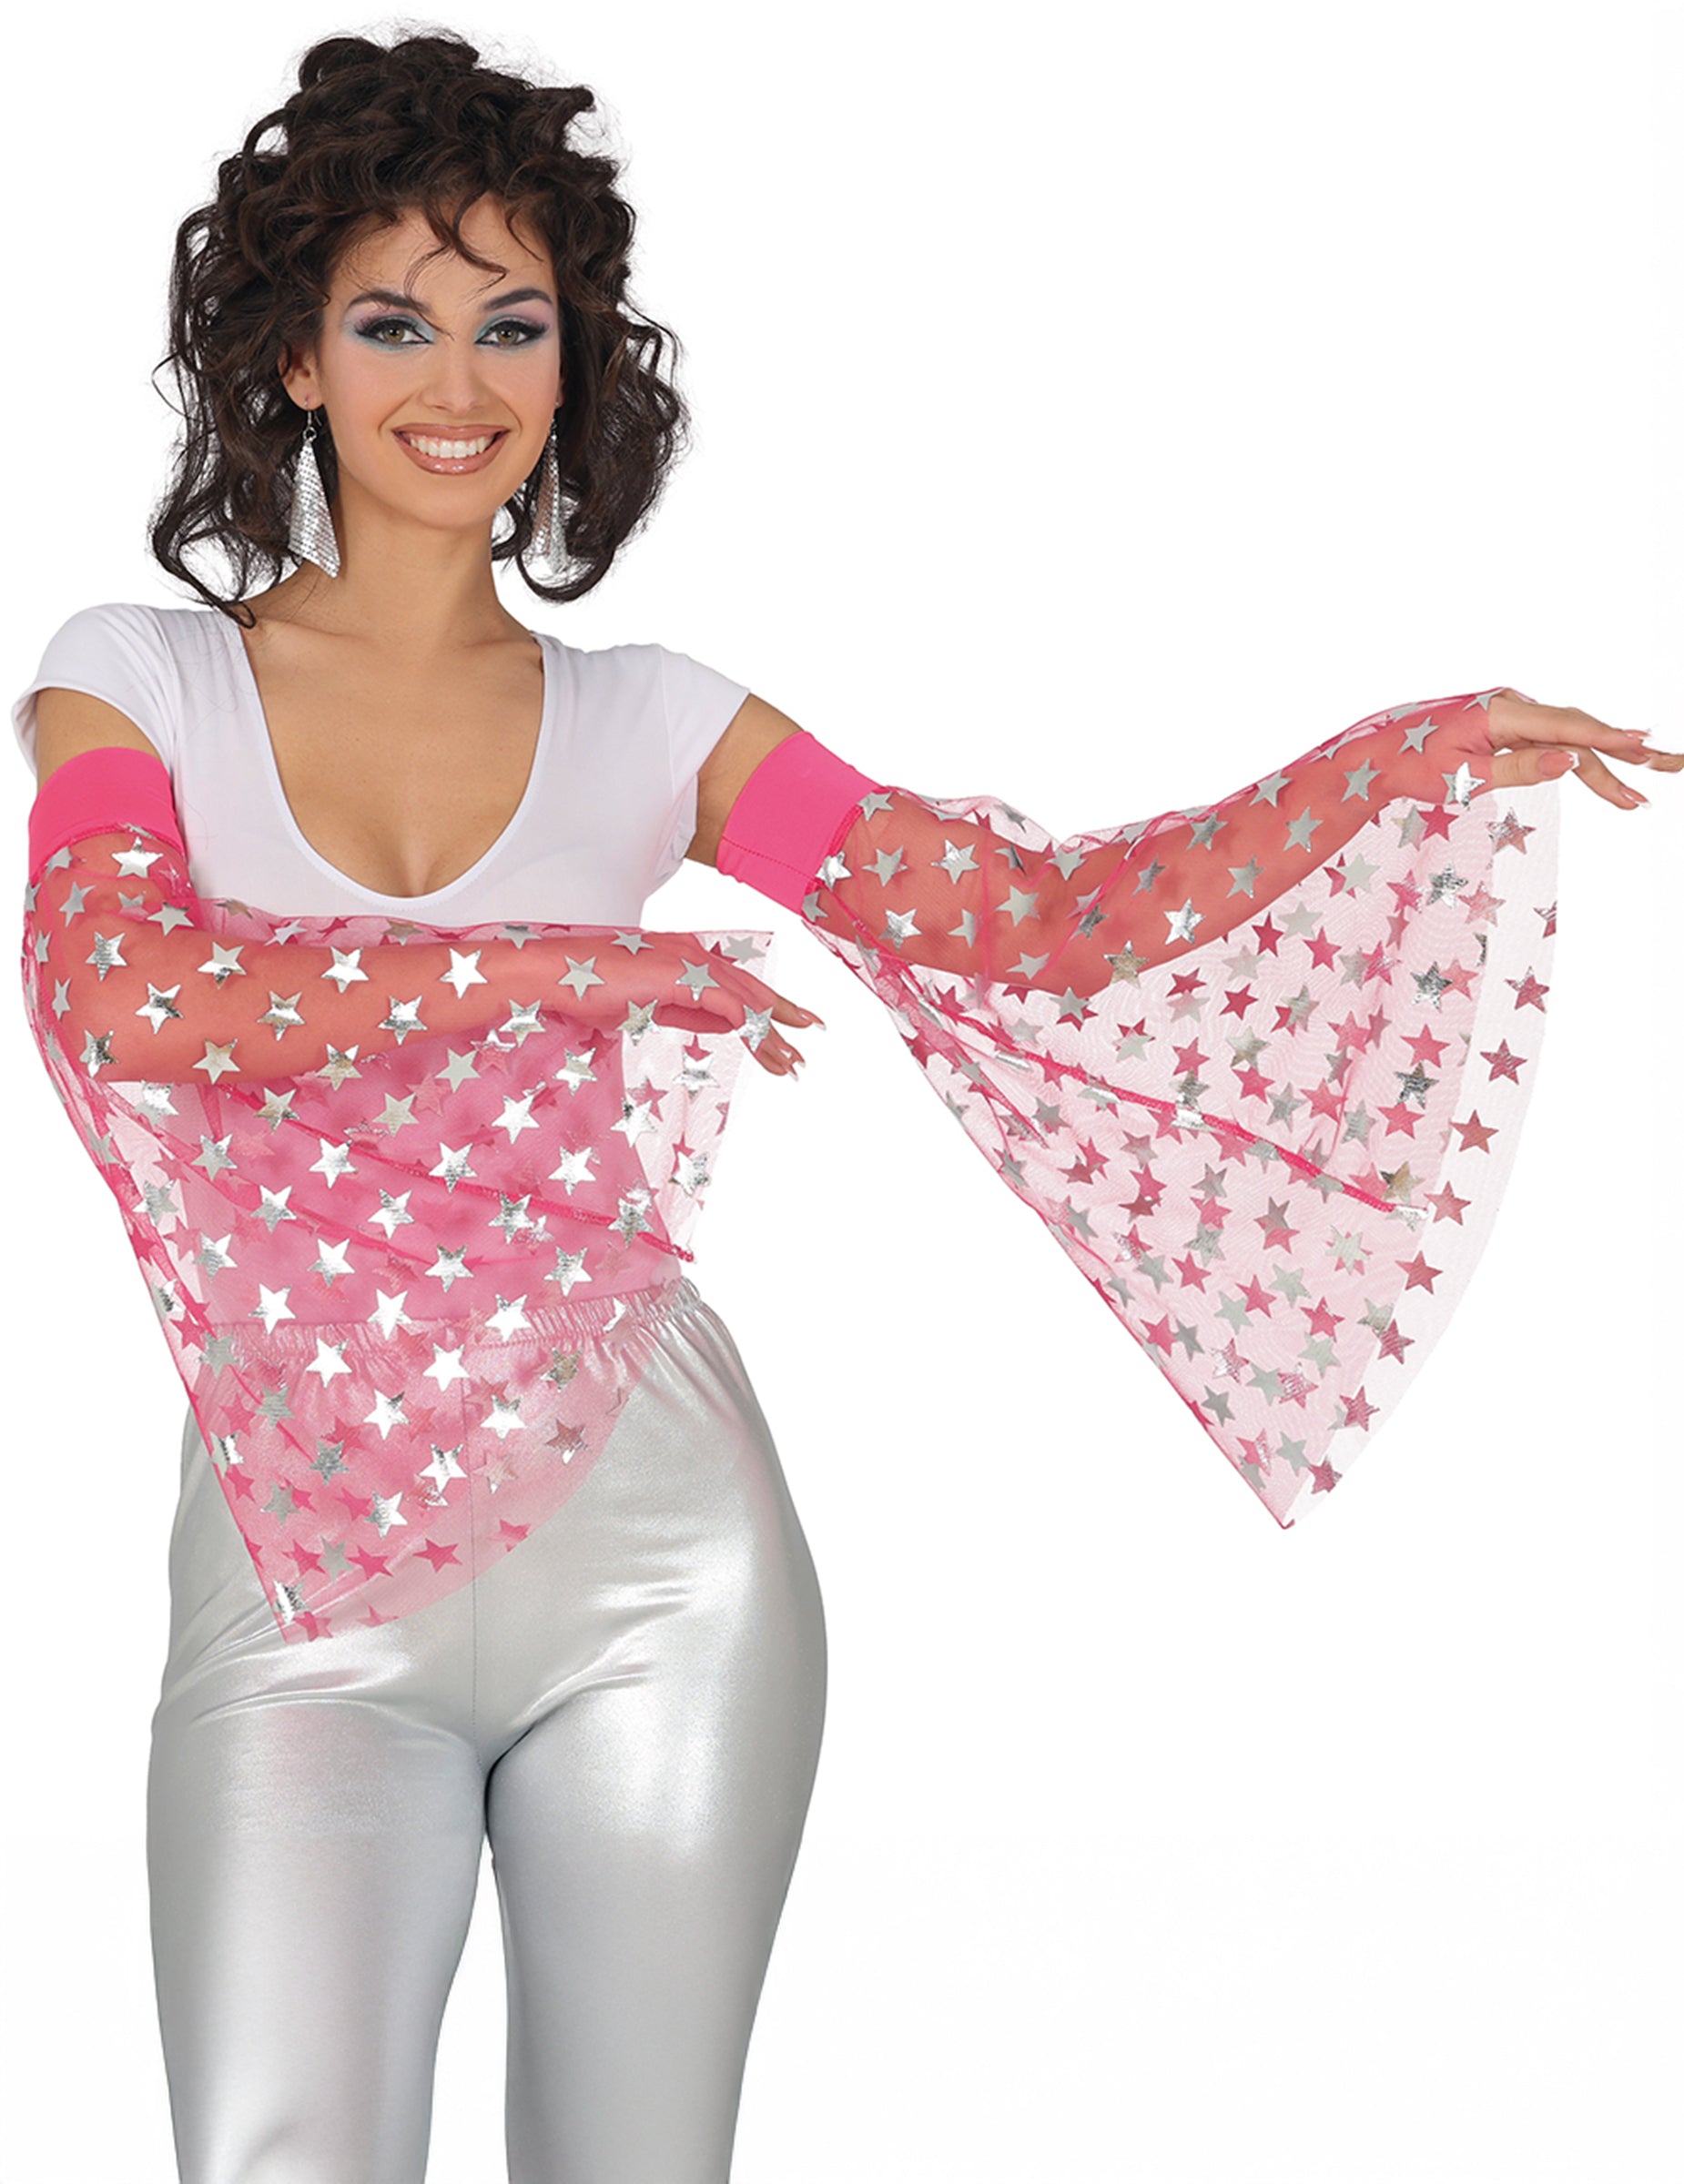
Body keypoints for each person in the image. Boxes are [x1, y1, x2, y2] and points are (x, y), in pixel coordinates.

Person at [12, 28, 1674, 2184]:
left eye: (514, 321)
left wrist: (1392, 761)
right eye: (394, 321)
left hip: (659, 1569)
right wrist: (564, 968)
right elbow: (136, 995)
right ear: (295, 361)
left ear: (572, 365)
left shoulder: (653, 723)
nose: (460, 379)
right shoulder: (138, 679)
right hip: (298, 1586)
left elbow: (1035, 923)